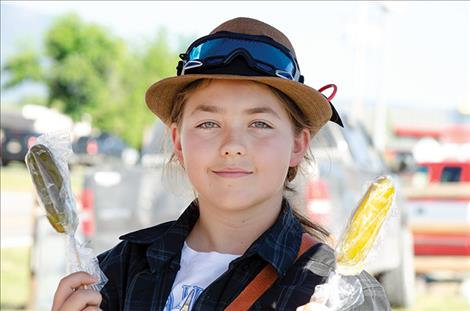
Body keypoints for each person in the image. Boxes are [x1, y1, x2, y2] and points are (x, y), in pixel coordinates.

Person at [51, 17, 391, 311]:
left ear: (298, 145)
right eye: (208, 124)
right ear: (178, 143)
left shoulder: (337, 291)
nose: (232, 146)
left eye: (260, 124)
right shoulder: (119, 271)